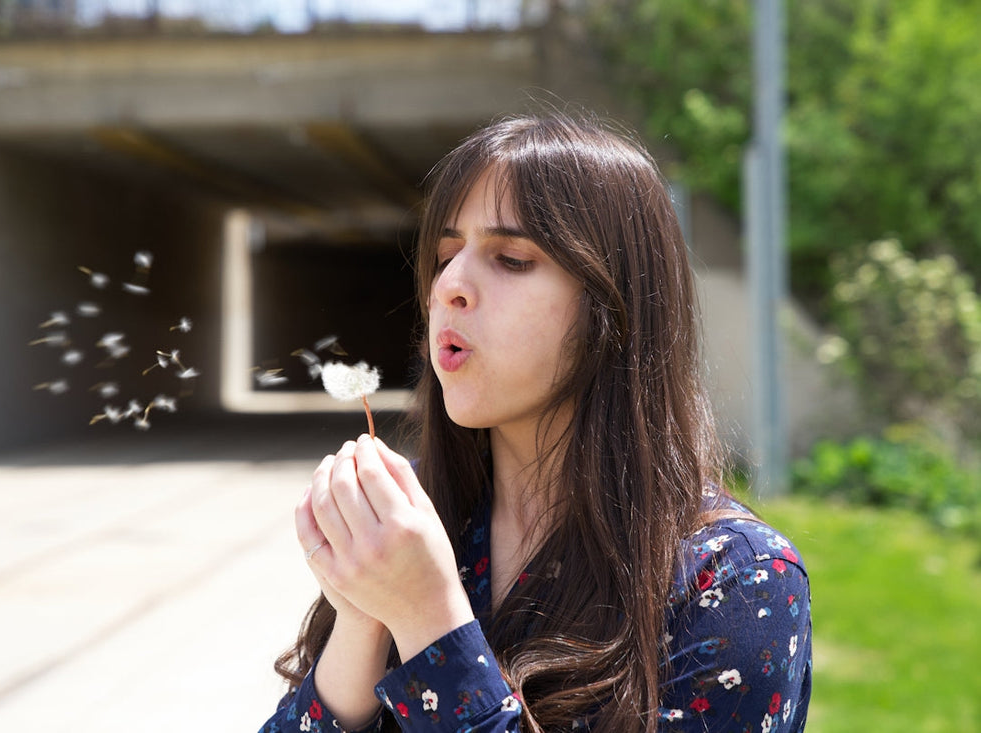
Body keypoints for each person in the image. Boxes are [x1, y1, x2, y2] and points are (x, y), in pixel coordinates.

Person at [260, 111, 812, 733]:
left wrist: (426, 617)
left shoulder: (735, 580)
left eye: (511, 259)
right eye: (446, 254)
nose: (450, 286)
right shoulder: (416, 522)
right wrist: (363, 615)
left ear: (613, 305)